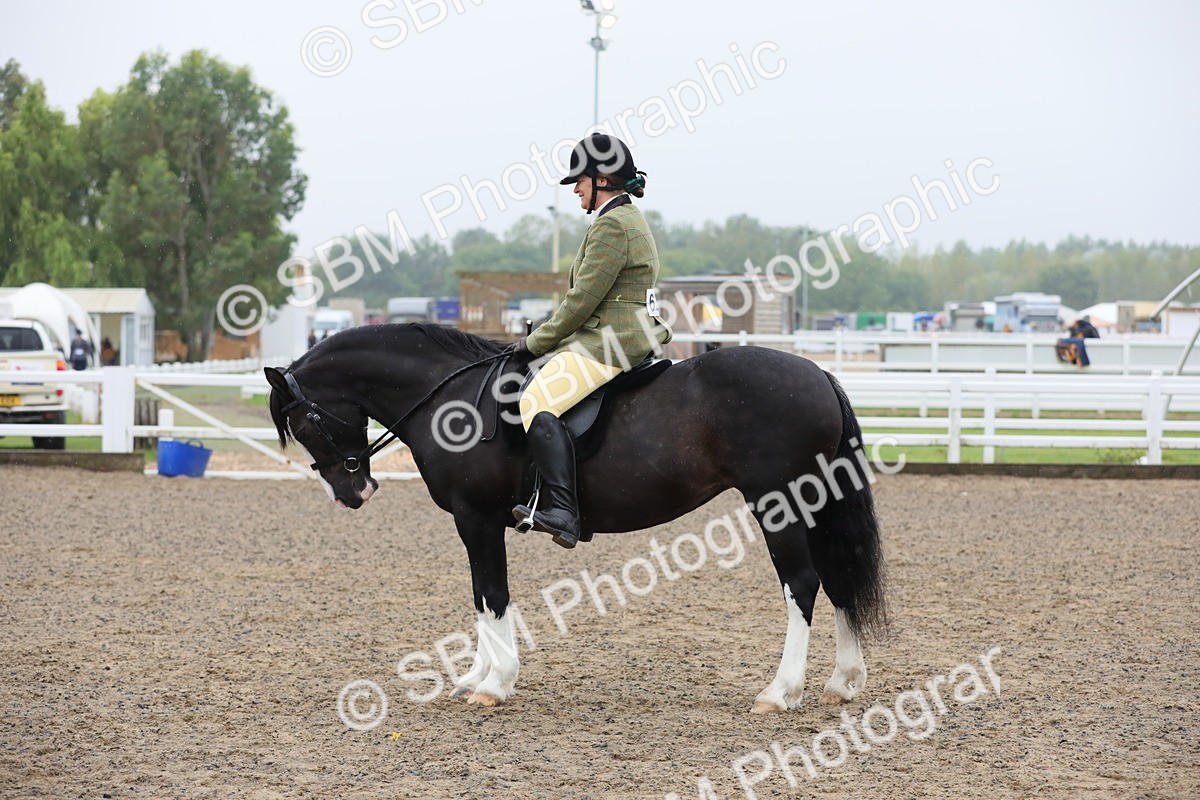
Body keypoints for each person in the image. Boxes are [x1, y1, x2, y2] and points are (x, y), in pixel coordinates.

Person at [511, 132, 672, 548]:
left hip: (611, 342)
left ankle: (563, 511)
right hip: (621, 334)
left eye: (579, 180)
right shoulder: (625, 219)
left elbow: (581, 301)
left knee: (536, 400)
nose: (576, 189)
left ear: (602, 179)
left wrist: (535, 343)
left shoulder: (613, 226)